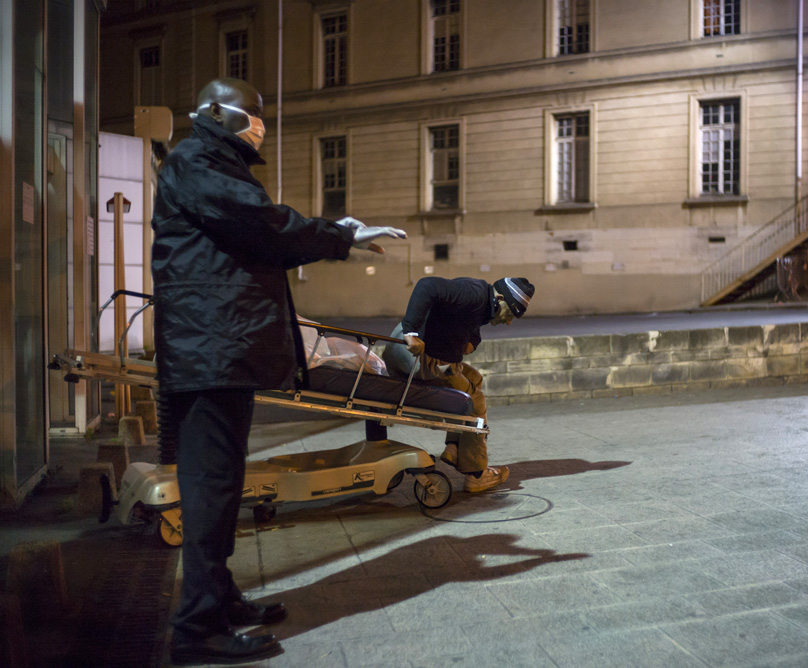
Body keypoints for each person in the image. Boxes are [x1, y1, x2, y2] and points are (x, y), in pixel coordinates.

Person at [152, 77, 406, 666]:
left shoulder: (211, 162)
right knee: (211, 488)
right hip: (209, 353)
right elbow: (264, 225)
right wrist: (340, 235)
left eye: (262, 117)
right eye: (250, 115)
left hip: (220, 352)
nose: (260, 124)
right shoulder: (197, 161)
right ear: (215, 112)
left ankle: (219, 597)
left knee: (222, 482)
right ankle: (196, 629)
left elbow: (257, 231)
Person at [382, 276, 535, 493]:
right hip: (417, 358)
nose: (508, 321)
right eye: (510, 313)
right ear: (500, 298)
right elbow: (428, 285)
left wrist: (472, 341)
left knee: (474, 379)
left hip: (422, 356)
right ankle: (476, 475)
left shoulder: (482, 302)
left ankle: (454, 448)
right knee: (475, 402)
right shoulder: (472, 294)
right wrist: (411, 332)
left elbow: (467, 320)